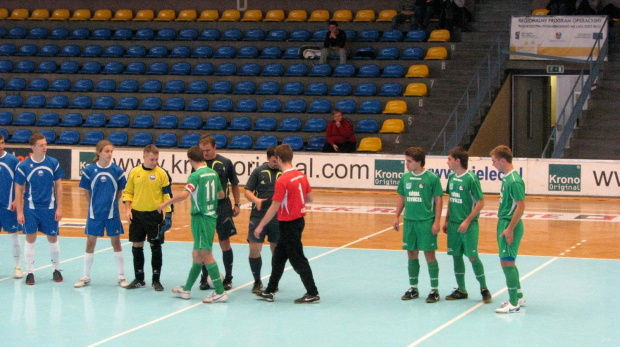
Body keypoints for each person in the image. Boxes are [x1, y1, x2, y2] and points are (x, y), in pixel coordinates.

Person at [159, 146, 228, 303]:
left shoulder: (195, 176)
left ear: (189, 160)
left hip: (201, 218)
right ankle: (187, 289)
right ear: (203, 157)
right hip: (210, 216)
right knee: (197, 254)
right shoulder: (213, 173)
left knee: (205, 253)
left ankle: (220, 292)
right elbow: (221, 194)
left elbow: (184, 194)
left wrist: (166, 203)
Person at [255, 144, 320, 304]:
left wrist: (261, 225)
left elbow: (274, 206)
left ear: (277, 159)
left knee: (298, 259)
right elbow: (310, 198)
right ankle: (270, 290)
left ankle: (312, 292)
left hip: (289, 223)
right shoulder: (301, 175)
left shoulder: (282, 180)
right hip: (297, 221)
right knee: (279, 257)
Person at [74, 140, 128, 288]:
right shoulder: (89, 170)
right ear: (99, 152)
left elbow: (120, 192)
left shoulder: (117, 171)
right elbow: (86, 192)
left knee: (116, 243)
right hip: (94, 213)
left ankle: (121, 276)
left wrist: (111, 204)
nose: (109, 154)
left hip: (112, 213)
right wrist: (94, 206)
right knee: (90, 243)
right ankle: (85, 276)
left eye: (111, 151)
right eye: (106, 151)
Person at [393, 146, 443, 303]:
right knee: (411, 253)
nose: (406, 164)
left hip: (426, 222)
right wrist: (396, 216)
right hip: (409, 222)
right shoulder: (405, 178)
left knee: (429, 254)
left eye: (409, 161)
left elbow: (439, 200)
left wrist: (436, 221)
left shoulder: (431, 178)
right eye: (406, 161)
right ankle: (413, 288)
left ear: (419, 162)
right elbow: (402, 197)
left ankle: (434, 290)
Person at [442, 147, 492, 303]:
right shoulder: (451, 177)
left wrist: (467, 220)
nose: (447, 162)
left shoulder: (471, 178)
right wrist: (446, 220)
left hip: (468, 226)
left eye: (449, 159)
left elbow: (481, 202)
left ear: (458, 161)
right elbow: (451, 199)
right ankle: (461, 289)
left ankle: (484, 288)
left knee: (472, 256)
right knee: (456, 256)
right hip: (453, 225)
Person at [14, 133, 64, 285]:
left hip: (49, 208)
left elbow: (59, 185)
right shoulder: (23, 166)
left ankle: (56, 269)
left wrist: (60, 208)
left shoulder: (53, 163)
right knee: (30, 238)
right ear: (33, 147)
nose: (45, 147)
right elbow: (19, 189)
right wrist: (20, 212)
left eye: (45, 144)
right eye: (41, 145)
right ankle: (30, 272)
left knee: (53, 238)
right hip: (31, 209)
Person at [123, 144, 171, 291]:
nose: (154, 162)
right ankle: (139, 278)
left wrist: (168, 215)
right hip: (137, 215)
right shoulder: (134, 172)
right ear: (143, 157)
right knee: (137, 245)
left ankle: (156, 280)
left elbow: (167, 195)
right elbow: (128, 192)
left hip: (154, 216)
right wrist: (128, 210)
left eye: (156, 159)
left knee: (155, 246)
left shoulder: (162, 174)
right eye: (151, 159)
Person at [198, 135, 240, 291]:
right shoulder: (198, 164)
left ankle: (228, 278)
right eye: (202, 150)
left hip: (223, 207)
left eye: (208, 150)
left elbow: (235, 185)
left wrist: (237, 204)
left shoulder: (226, 163)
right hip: (204, 208)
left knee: (224, 242)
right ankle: (204, 278)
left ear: (215, 147)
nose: (205, 153)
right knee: (205, 245)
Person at [490, 145, 526, 314]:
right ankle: (518, 295)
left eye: (494, 161)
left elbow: (521, 207)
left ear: (502, 160)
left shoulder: (514, 181)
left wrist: (510, 228)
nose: (493, 165)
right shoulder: (507, 178)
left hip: (509, 223)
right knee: (507, 260)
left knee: (507, 261)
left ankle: (513, 303)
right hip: (504, 222)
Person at [244, 146, 281, 293]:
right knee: (254, 248)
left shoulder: (284, 172)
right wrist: (255, 200)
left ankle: (274, 281)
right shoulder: (259, 171)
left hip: (278, 216)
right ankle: (257, 281)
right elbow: (247, 190)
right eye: (273, 160)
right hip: (258, 215)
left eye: (278, 160)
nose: (276, 163)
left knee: (276, 251)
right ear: (268, 158)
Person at [0, 133, 23, 278]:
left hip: (8, 205)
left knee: (13, 235)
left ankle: (17, 267)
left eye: (2, 143)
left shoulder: (12, 160)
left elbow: (20, 183)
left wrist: (16, 199)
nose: (1, 146)